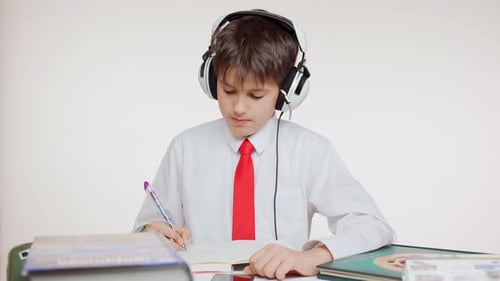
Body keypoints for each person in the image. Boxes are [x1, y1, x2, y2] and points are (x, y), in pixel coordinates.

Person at [134, 9, 395, 280]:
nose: (238, 107)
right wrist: (151, 234)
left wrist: (312, 257)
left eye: (256, 95)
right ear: (212, 82)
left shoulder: (309, 151)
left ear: (286, 92)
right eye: (228, 90)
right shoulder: (185, 149)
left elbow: (373, 226)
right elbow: (145, 230)